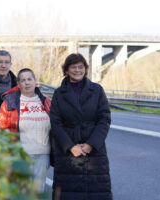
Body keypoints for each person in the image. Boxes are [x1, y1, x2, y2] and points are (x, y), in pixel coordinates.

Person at [50, 53, 112, 200]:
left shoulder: (97, 90)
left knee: (97, 192)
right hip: (68, 151)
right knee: (69, 193)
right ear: (66, 70)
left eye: (80, 66)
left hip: (94, 151)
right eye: (73, 67)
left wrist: (91, 144)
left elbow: (104, 119)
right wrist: (71, 146)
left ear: (85, 69)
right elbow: (56, 123)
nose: (77, 70)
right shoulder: (59, 93)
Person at [0, 68, 51, 192]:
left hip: (43, 155)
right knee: (22, 193)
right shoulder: (10, 103)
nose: (27, 83)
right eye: (23, 80)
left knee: (38, 192)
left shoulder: (46, 101)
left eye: (29, 79)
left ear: (35, 81)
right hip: (20, 156)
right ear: (18, 84)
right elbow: (1, 129)